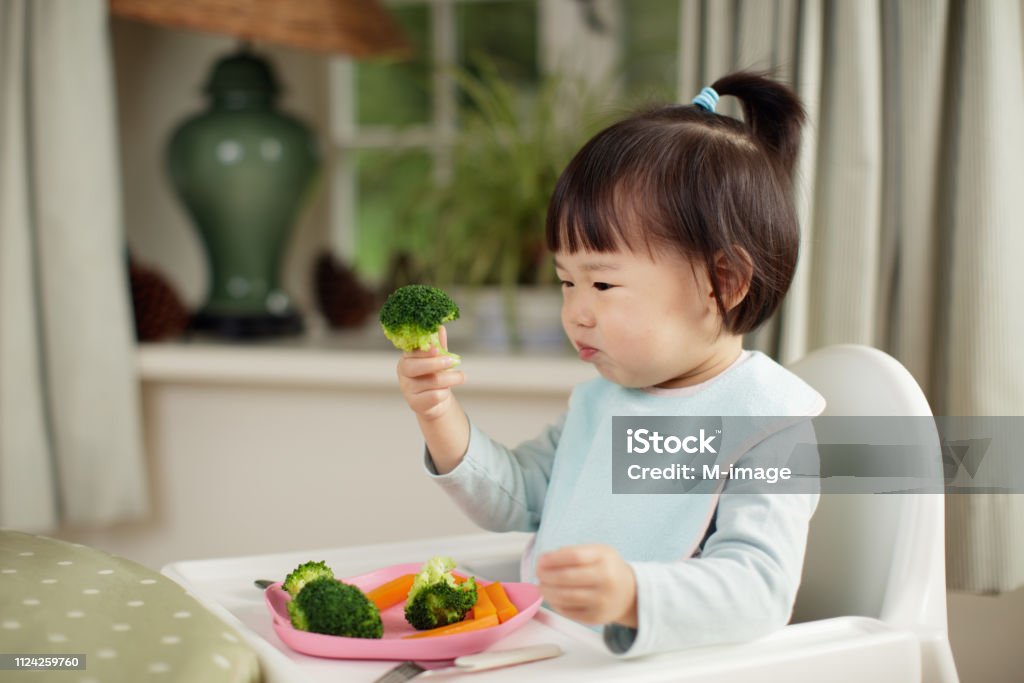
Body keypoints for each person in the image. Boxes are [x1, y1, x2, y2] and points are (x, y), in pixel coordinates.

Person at [393, 71, 825, 657]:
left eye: (601, 282)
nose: (576, 312)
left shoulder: (770, 425)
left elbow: (759, 589)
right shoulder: (601, 401)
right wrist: (439, 413)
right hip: (558, 652)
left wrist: (634, 594)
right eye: (566, 281)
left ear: (723, 281)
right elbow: (518, 498)